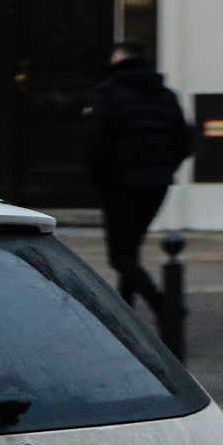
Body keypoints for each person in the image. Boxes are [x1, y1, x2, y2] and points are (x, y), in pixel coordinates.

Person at [80, 41, 196, 310]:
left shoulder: (106, 93)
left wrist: (101, 181)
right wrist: (164, 169)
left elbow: (95, 144)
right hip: (156, 184)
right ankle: (126, 310)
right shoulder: (166, 95)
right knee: (130, 251)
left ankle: (163, 306)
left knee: (120, 258)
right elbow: (184, 142)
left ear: (117, 61)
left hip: (120, 184)